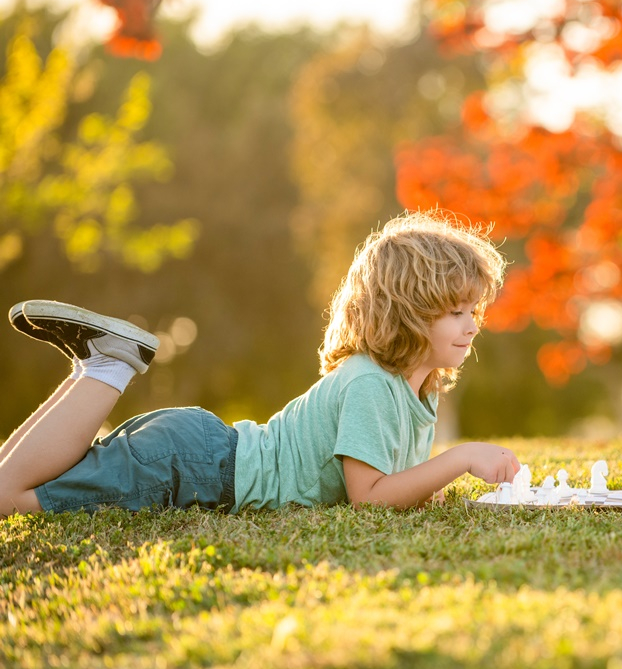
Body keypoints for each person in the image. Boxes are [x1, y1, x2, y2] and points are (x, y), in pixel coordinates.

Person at [0, 210, 522, 517]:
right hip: (194, 468)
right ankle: (108, 365)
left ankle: (97, 365)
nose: (472, 324)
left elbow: (398, 484)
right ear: (409, 311)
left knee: (8, 484)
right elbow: (370, 498)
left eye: (473, 310)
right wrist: (462, 458)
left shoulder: (420, 388)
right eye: (455, 312)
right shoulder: (368, 382)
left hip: (202, 456)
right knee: (9, 496)